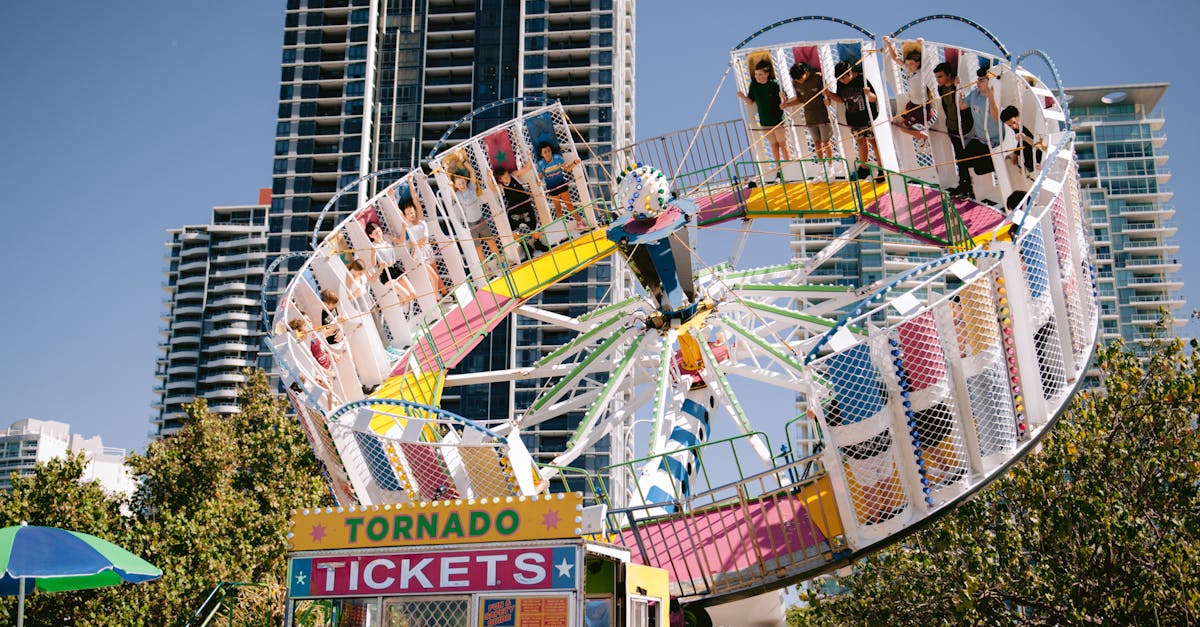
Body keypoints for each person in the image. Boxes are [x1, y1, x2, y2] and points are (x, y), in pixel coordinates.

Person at [933, 61, 988, 197]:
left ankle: (968, 187)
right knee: (959, 157)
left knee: (964, 158)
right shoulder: (941, 89)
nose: (937, 80)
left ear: (949, 75)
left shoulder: (958, 89)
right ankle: (964, 185)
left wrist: (959, 88)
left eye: (940, 77)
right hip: (952, 127)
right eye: (936, 77)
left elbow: (965, 101)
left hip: (964, 128)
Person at [824, 60, 881, 181]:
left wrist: (868, 93)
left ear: (850, 72)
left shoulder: (862, 79)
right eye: (840, 80)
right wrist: (829, 94)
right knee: (861, 143)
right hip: (853, 119)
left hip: (868, 118)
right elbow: (841, 99)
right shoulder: (841, 82)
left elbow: (874, 99)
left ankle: (882, 169)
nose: (843, 81)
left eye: (844, 78)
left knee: (874, 143)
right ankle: (864, 168)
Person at [491, 165, 549, 259]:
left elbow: (527, 168)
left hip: (526, 206)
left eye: (507, 175)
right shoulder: (501, 187)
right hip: (514, 210)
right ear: (500, 180)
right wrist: (489, 175)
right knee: (514, 232)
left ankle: (537, 242)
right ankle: (526, 247)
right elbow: (492, 187)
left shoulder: (513, 175)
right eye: (505, 177)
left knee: (534, 226)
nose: (507, 177)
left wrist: (528, 156)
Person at [738, 60, 790, 162]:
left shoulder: (775, 84)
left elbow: (785, 100)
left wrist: (783, 97)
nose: (757, 77)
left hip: (779, 121)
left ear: (767, 74)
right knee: (774, 146)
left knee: (783, 144)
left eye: (760, 74)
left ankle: (788, 166)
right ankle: (778, 169)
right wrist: (742, 96)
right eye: (756, 74)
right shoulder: (754, 85)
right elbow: (750, 101)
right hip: (765, 123)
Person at [399, 193, 448, 299]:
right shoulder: (408, 224)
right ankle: (436, 298)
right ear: (406, 216)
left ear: (415, 211)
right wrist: (392, 199)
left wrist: (411, 184)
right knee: (433, 277)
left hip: (428, 249)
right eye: (408, 214)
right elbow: (399, 213)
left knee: (436, 274)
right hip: (419, 253)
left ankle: (445, 293)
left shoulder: (420, 219)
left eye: (412, 212)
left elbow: (416, 201)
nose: (411, 215)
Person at [883, 36, 932, 141]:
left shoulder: (922, 72)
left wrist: (922, 45)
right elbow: (895, 58)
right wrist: (889, 44)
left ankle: (923, 136)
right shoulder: (908, 68)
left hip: (920, 108)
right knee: (899, 123)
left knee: (903, 128)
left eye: (912, 64)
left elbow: (927, 60)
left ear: (918, 63)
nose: (909, 66)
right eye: (907, 63)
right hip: (911, 104)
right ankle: (920, 137)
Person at [452, 168, 502, 269]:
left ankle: (500, 261)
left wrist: (465, 163)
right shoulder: (457, 194)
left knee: (491, 241)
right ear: (456, 186)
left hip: (481, 220)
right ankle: (486, 269)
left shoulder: (471, 187)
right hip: (471, 225)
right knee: (478, 248)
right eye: (459, 184)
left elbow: (473, 173)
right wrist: (450, 185)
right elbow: (466, 201)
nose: (462, 185)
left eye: (462, 182)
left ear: (465, 181)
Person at [782, 62, 833, 161]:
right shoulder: (795, 82)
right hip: (809, 116)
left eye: (800, 78)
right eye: (796, 79)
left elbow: (827, 94)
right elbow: (800, 99)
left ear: (806, 71)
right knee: (817, 142)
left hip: (822, 115)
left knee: (826, 141)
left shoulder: (818, 77)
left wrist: (828, 100)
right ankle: (821, 164)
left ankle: (830, 165)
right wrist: (787, 104)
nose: (799, 81)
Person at [364, 221, 418, 304]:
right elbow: (374, 264)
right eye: (376, 233)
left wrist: (403, 228)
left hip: (396, 268)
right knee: (406, 296)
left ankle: (401, 303)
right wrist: (373, 253)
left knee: (413, 294)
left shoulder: (386, 237)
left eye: (379, 231)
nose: (379, 234)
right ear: (371, 236)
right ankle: (400, 305)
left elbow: (400, 241)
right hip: (386, 273)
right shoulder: (374, 246)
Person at [535, 142, 582, 228]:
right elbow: (540, 177)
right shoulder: (540, 164)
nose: (548, 153)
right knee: (558, 208)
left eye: (549, 151)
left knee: (569, 204)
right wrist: (538, 181)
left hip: (561, 184)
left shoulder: (557, 158)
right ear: (541, 154)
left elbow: (567, 169)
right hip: (552, 188)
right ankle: (562, 228)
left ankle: (580, 222)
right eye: (545, 152)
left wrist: (575, 163)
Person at [1000, 105, 1043, 175]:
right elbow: (1023, 143)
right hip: (1032, 161)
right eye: (1009, 125)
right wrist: (1015, 154)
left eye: (1014, 122)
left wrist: (1026, 166)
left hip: (1040, 160)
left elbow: (1040, 145)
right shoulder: (1017, 128)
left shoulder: (1029, 125)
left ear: (1019, 115)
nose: (1013, 126)